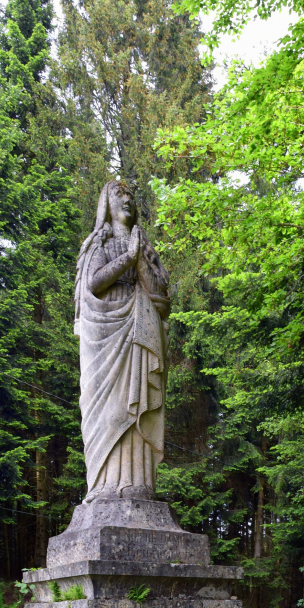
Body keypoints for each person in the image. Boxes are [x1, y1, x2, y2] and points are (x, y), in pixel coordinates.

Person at [74, 181, 171, 502]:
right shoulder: (98, 242)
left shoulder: (145, 247)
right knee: (108, 411)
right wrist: (128, 258)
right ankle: (104, 487)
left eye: (131, 195)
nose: (127, 199)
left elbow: (161, 296)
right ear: (106, 203)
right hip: (104, 337)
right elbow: (94, 282)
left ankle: (140, 484)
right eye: (120, 194)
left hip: (139, 333)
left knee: (138, 402)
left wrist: (139, 257)